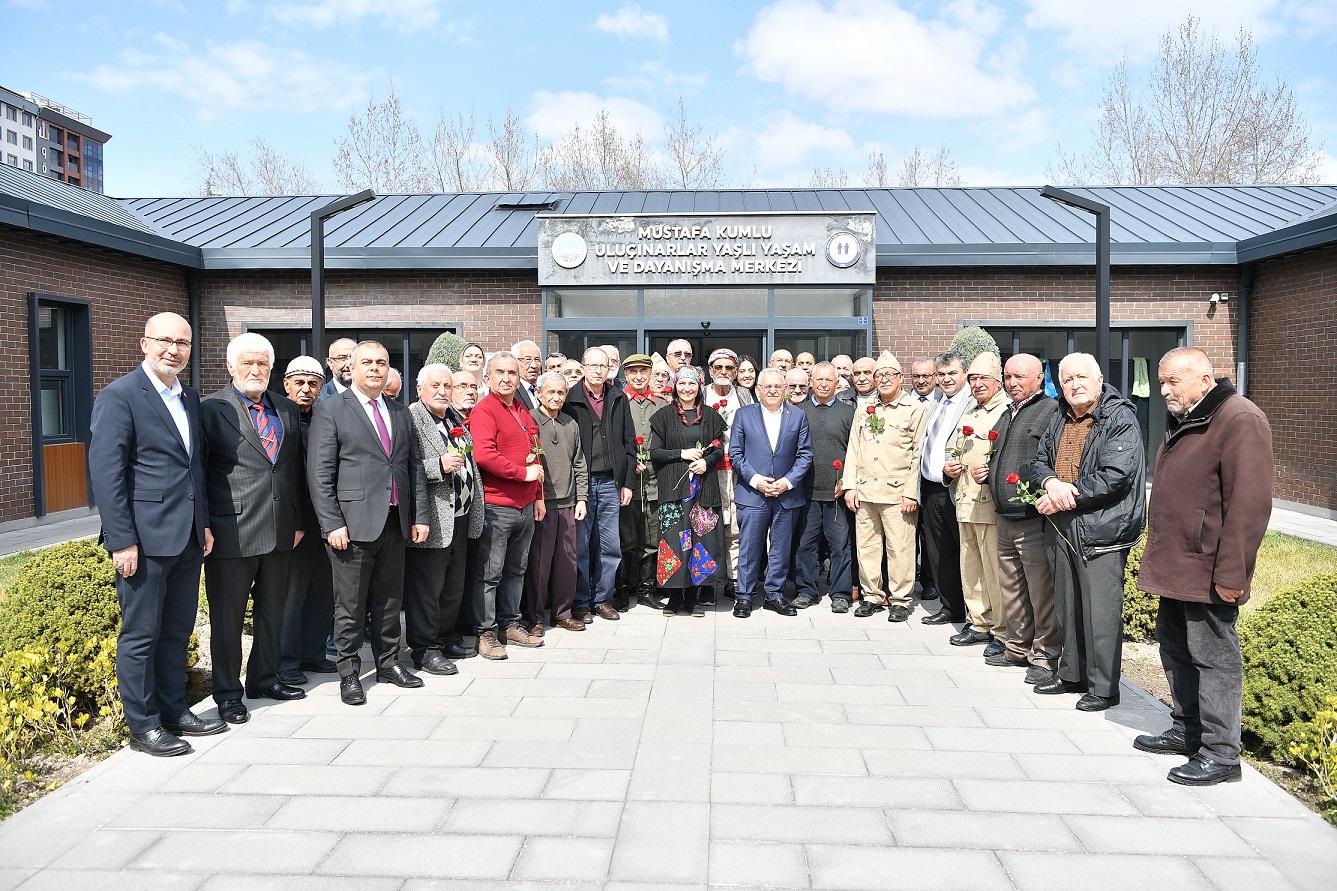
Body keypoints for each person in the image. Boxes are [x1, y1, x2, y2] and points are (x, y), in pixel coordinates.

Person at [1135, 348, 1273, 786]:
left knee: (1213, 658)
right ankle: (1187, 729)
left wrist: (1233, 574)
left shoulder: (1239, 419)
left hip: (1208, 568)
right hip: (1177, 564)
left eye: (1173, 381)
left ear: (1204, 379)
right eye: (1162, 381)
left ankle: (1220, 753)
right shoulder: (1188, 415)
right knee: (1174, 649)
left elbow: (1248, 507)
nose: (1164, 390)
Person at [90, 312, 220, 756]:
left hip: (185, 537)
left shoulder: (188, 397)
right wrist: (122, 540)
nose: (174, 349)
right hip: (143, 541)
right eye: (164, 340)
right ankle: (142, 726)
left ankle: (173, 709)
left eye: (182, 343)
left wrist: (202, 523)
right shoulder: (120, 396)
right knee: (141, 634)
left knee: (177, 629)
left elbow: (193, 468)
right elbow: (107, 475)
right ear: (143, 344)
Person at [307, 340, 431, 706]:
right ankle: (348, 671)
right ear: (352, 368)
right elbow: (320, 474)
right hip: (352, 525)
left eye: (381, 362)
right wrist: (332, 524)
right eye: (367, 363)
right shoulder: (330, 411)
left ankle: (389, 663)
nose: (375, 368)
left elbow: (414, 468)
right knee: (350, 605)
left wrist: (419, 515)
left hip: (395, 521)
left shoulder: (400, 413)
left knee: (390, 600)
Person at [200, 332, 307, 726]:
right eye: (247, 363)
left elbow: (293, 469)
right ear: (231, 367)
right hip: (232, 530)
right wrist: (205, 525)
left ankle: (264, 678)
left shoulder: (286, 408)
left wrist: (296, 519)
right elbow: (200, 472)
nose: (256, 370)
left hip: (281, 529)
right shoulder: (210, 408)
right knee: (227, 619)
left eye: (262, 363)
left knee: (272, 611)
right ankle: (228, 693)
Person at [1030, 352, 1145, 712]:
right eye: (1067, 380)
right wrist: (1049, 482)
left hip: (1101, 528)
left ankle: (1104, 688)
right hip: (1063, 524)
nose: (1074, 385)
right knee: (1067, 602)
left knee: (1100, 610)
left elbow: (1116, 475)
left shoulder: (1119, 418)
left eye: (1081, 377)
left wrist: (1065, 495)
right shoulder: (1060, 417)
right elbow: (1039, 461)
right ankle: (1072, 674)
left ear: (1098, 380)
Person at [404, 364, 484, 676]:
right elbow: (404, 468)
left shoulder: (455, 420)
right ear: (419, 388)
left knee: (452, 586)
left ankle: (444, 637)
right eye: (435, 385)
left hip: (460, 516)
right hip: (433, 518)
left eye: (447, 386)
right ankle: (424, 649)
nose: (442, 391)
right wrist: (437, 464)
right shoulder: (412, 419)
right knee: (427, 588)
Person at [986, 354, 1060, 685]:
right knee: (1012, 589)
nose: (1012, 382)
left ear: (1037, 379)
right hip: (1004, 515)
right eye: (1008, 376)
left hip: (1031, 517)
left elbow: (1049, 459)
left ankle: (1044, 656)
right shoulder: (1006, 413)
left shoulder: (1049, 411)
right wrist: (985, 473)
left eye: (1020, 377)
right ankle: (1016, 647)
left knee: (1039, 590)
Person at [468, 352, 545, 659]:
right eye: (499, 372)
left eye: (512, 373)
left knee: (517, 569)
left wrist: (538, 493)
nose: (506, 378)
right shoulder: (485, 410)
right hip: (497, 506)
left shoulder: (522, 411)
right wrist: (522, 474)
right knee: (490, 573)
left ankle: (509, 624)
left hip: (526, 506)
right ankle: (485, 633)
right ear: (487, 378)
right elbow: (484, 455)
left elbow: (535, 453)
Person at [840, 352, 925, 620]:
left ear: (900, 378)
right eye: (879, 376)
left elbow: (917, 454)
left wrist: (912, 492)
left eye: (889, 375)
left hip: (898, 492)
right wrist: (850, 486)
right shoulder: (865, 408)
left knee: (899, 548)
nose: (884, 380)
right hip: (865, 491)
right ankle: (872, 595)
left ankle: (900, 599)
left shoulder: (914, 409)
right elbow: (853, 448)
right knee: (867, 547)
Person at [729, 368, 813, 617]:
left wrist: (787, 482)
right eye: (768, 387)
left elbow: (805, 454)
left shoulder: (797, 416)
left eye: (778, 386)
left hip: (786, 495)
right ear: (758, 390)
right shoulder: (744, 415)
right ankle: (744, 596)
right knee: (749, 547)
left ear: (785, 389)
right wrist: (756, 480)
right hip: (753, 493)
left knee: (781, 547)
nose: (774, 390)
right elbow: (736, 453)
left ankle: (774, 595)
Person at [942, 352, 1011, 651]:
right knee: (970, 568)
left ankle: (1002, 631)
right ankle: (979, 623)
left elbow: (1012, 458)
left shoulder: (1006, 412)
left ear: (997, 381)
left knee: (994, 571)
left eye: (984, 379)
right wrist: (948, 468)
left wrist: (993, 472)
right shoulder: (970, 412)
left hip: (989, 504)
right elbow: (952, 449)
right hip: (965, 501)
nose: (977, 384)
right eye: (973, 379)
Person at [562, 347, 636, 621]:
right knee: (580, 545)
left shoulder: (618, 398)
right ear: (583, 368)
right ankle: (581, 601)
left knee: (610, 545)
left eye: (602, 366)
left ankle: (603, 599)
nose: (596, 370)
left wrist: (627, 483)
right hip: (581, 484)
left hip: (610, 483)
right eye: (591, 365)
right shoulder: (571, 399)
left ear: (609, 370)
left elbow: (629, 444)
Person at [278, 356, 338, 687]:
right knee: (292, 593)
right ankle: (286, 660)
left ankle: (313, 652)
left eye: (313, 383)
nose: (305, 389)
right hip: (294, 521)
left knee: (321, 590)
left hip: (325, 519)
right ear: (286, 384)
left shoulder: (324, 418)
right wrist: (295, 520)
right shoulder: (278, 418)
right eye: (299, 382)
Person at [649, 366, 727, 616]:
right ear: (675, 386)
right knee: (673, 542)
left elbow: (718, 450)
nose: (687, 389)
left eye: (692, 384)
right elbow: (655, 453)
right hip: (674, 490)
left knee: (699, 543)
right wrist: (680, 454)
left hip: (703, 490)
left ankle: (692, 596)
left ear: (699, 387)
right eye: (682, 384)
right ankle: (674, 597)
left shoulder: (712, 416)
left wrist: (707, 462)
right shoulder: (663, 416)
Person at [524, 372, 589, 633]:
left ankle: (563, 613)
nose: (556, 397)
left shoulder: (570, 424)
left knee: (567, 562)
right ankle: (535, 618)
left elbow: (579, 464)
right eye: (550, 392)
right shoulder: (529, 420)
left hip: (569, 503)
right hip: (541, 503)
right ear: (539, 393)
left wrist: (582, 498)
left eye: (561, 392)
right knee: (539, 564)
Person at [795, 362, 856, 611]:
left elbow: (856, 450)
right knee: (805, 544)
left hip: (837, 492)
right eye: (818, 380)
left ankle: (840, 593)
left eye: (828, 380)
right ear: (811, 382)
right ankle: (806, 590)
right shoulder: (799, 412)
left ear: (836, 382)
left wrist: (848, 480)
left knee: (840, 544)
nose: (823, 384)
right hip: (806, 491)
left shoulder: (848, 412)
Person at [919, 351, 973, 628]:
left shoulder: (972, 404)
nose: (946, 378)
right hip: (931, 489)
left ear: (964, 374)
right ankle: (949, 607)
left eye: (952, 373)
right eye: (941, 374)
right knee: (939, 552)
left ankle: (973, 612)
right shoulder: (936, 402)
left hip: (956, 488)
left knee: (964, 552)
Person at [703, 348, 753, 601]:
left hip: (737, 470)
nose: (724, 372)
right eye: (718, 368)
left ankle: (733, 579)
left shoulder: (744, 395)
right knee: (708, 524)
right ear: (710, 370)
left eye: (729, 368)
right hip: (708, 470)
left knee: (735, 526)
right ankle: (708, 581)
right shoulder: (701, 394)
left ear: (735, 372)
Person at [620, 353, 669, 610]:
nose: (638, 376)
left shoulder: (662, 404)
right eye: (633, 372)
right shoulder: (618, 402)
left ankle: (646, 589)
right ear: (625, 375)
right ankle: (623, 587)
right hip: (628, 482)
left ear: (651, 374)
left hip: (654, 481)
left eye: (643, 371)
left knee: (651, 536)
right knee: (626, 536)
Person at [447, 368, 485, 652]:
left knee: (464, 573)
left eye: (473, 386)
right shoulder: (444, 420)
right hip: (444, 514)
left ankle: (460, 623)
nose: (469, 391)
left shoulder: (472, 420)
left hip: (470, 512)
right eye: (462, 385)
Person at [319, 337, 356, 401]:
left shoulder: (373, 394)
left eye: (353, 358)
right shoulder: (319, 398)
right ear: (330, 363)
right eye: (342, 358)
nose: (348, 364)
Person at [512, 339, 543, 408]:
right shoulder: (511, 391)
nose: (534, 365)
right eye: (528, 360)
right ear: (516, 362)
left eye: (537, 360)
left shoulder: (542, 390)